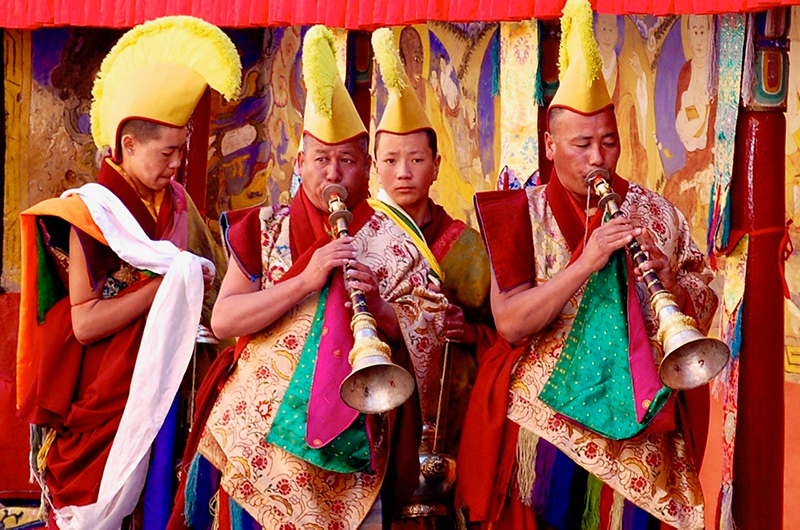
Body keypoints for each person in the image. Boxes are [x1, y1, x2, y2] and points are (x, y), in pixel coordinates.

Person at [168, 25, 446, 529]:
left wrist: (382, 311)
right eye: (321, 160)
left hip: (359, 442)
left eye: (346, 161)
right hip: (261, 438)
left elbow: (430, 344)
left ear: (366, 169)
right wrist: (304, 280)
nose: (333, 175)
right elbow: (227, 319)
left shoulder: (398, 241)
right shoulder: (265, 226)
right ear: (300, 164)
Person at [459, 0, 719, 528]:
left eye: (608, 141)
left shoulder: (657, 212)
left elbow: (704, 289)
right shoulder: (520, 215)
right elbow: (509, 323)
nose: (598, 158)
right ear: (550, 145)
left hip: (638, 429)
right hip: (544, 428)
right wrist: (586, 261)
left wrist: (673, 286)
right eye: (581, 144)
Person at [15, 16, 239, 529]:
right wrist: (165, 287)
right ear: (129, 145)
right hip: (104, 398)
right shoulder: (89, 214)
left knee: (160, 504)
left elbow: (212, 286)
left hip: (170, 380)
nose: (178, 166)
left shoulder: (179, 205)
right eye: (167, 152)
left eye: (182, 151)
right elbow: (85, 323)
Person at [370, 28, 495, 525]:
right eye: (391, 161)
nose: (404, 172)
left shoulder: (465, 245)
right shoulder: (365, 239)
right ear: (375, 167)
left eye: (416, 160)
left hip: (451, 413)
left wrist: (471, 333)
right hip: (380, 409)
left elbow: (500, 331)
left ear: (437, 166)